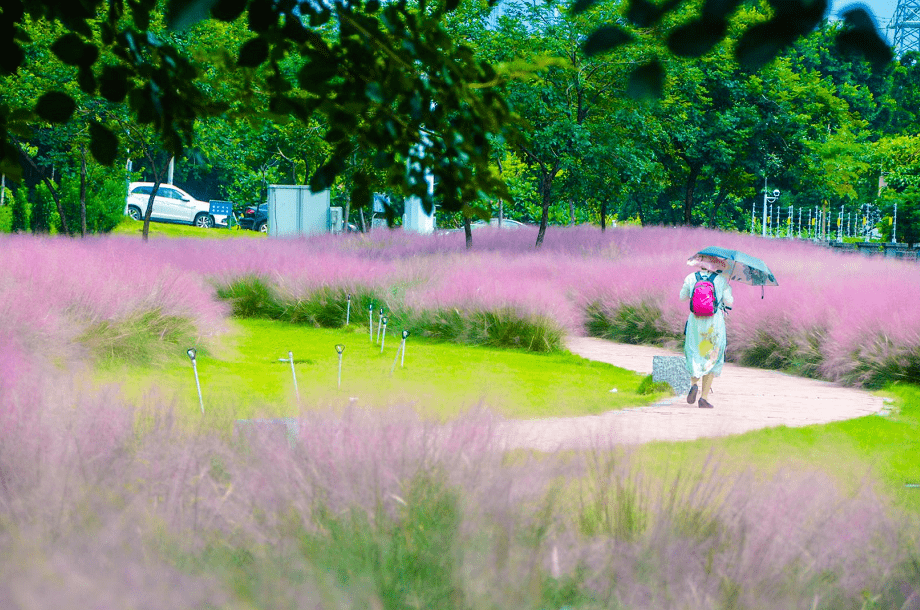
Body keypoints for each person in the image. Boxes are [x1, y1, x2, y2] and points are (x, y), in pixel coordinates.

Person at [679, 255, 734, 409]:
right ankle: (703, 398)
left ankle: (693, 384)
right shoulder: (721, 280)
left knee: (695, 352)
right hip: (713, 324)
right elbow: (729, 301)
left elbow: (682, 297)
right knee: (712, 356)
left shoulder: (691, 277)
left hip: (695, 323)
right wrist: (725, 289)